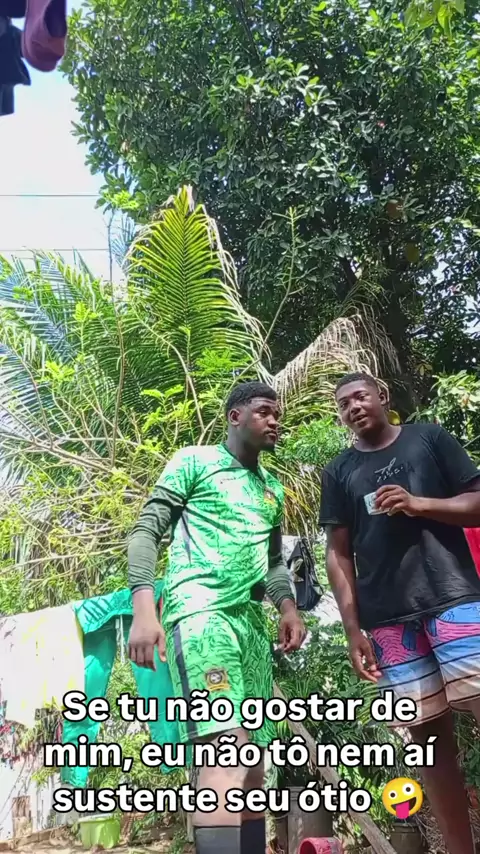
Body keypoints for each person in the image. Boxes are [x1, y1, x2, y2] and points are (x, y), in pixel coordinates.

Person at [127, 380, 305, 854]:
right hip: (200, 613)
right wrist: (144, 609)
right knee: (226, 748)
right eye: (264, 411)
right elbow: (146, 531)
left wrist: (288, 608)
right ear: (234, 416)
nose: (274, 420)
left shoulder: (272, 490)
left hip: (250, 628)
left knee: (254, 764)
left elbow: (273, 564)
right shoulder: (194, 462)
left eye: (277, 413)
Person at [320, 372, 480, 854]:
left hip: (455, 601)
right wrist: (353, 630)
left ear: (382, 396)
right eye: (344, 403)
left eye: (360, 396)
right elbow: (338, 552)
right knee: (429, 745)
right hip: (387, 622)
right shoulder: (339, 471)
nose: (353, 407)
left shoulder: (428, 438)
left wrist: (418, 504)